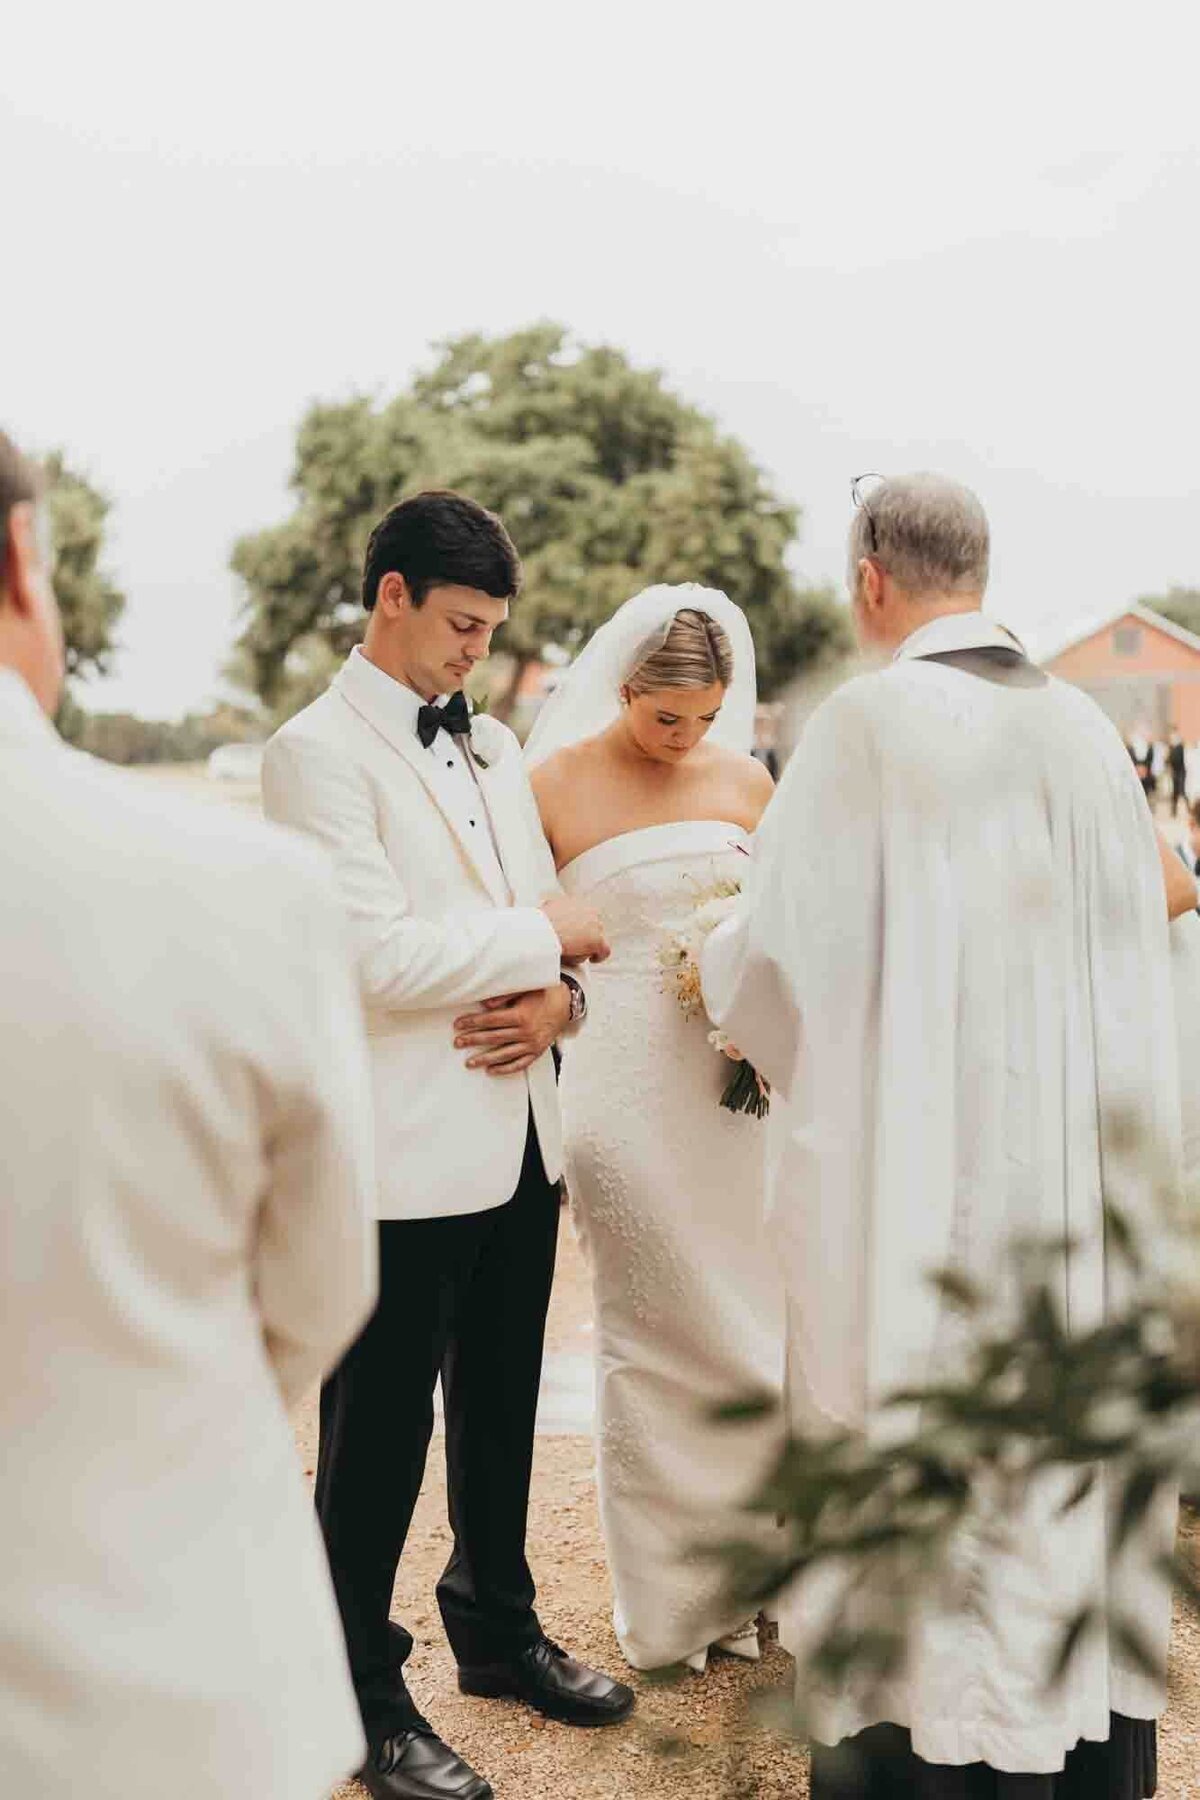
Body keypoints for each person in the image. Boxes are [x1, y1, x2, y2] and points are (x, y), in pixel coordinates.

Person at [702, 473, 1196, 1798]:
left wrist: (708, 959)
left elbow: (777, 973)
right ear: (977, 570)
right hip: (1067, 1202)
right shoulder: (1089, 733)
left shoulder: (866, 725)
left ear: (870, 580)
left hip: (920, 1188)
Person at [0, 430, 378, 1799]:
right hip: (171, 1698)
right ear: (24, 564)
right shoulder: (245, 893)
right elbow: (319, 1291)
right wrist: (162, 1418)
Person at [262, 490, 634, 1800]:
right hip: (400, 1158)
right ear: (392, 597)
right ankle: (354, 1696)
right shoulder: (312, 756)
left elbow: (546, 925)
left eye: (492, 633)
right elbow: (368, 961)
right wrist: (555, 942)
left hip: (518, 1134)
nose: (476, 652)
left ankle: (494, 1629)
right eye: (463, 626)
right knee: (375, 1446)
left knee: (501, 1411)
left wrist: (562, 1000)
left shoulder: (492, 747)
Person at [520, 586, 785, 1672]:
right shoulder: (551, 785)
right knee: (652, 1339)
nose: (686, 740)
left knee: (752, 1330)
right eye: (665, 717)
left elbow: (782, 927)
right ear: (622, 687)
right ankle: (673, 1608)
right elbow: (533, 937)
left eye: (706, 719)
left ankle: (762, 1574)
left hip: (733, 1092)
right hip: (619, 1093)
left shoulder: (746, 780)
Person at [1168, 727, 1188, 814]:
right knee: (1175, 793)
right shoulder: (1172, 747)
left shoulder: (1180, 747)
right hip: (1175, 772)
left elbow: (1180, 759)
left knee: (1182, 791)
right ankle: (1174, 810)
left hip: (1181, 772)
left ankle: (1188, 809)